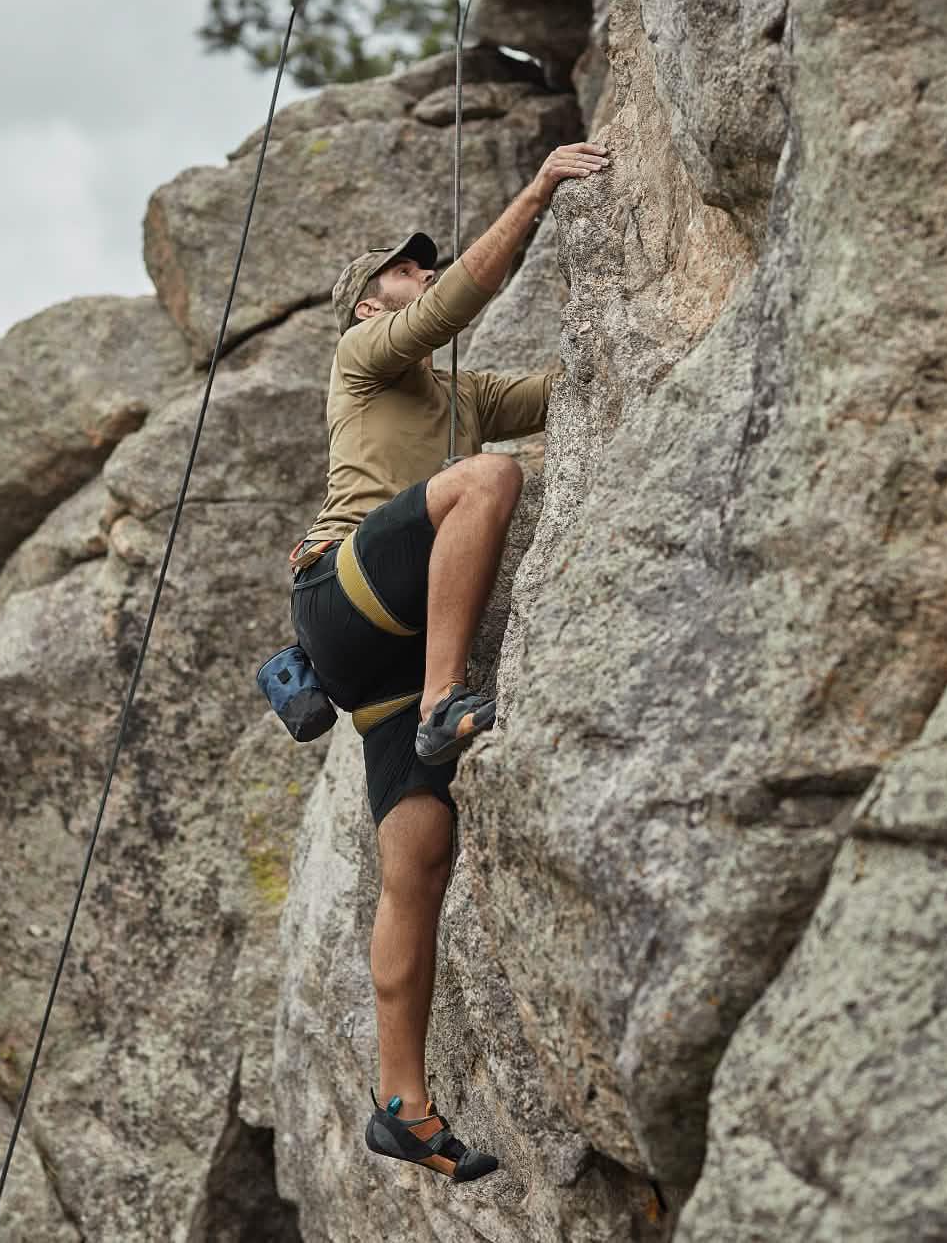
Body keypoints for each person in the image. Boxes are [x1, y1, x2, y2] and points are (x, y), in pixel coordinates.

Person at [289, 140, 610, 1182]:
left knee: (416, 865)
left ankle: (402, 1101)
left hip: (363, 667)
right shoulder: (364, 356)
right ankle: (443, 696)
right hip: (342, 599)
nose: (418, 273)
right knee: (484, 483)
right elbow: (450, 309)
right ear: (366, 306)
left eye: (421, 263)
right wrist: (540, 186)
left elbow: (580, 383)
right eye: (400, 267)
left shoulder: (457, 396)